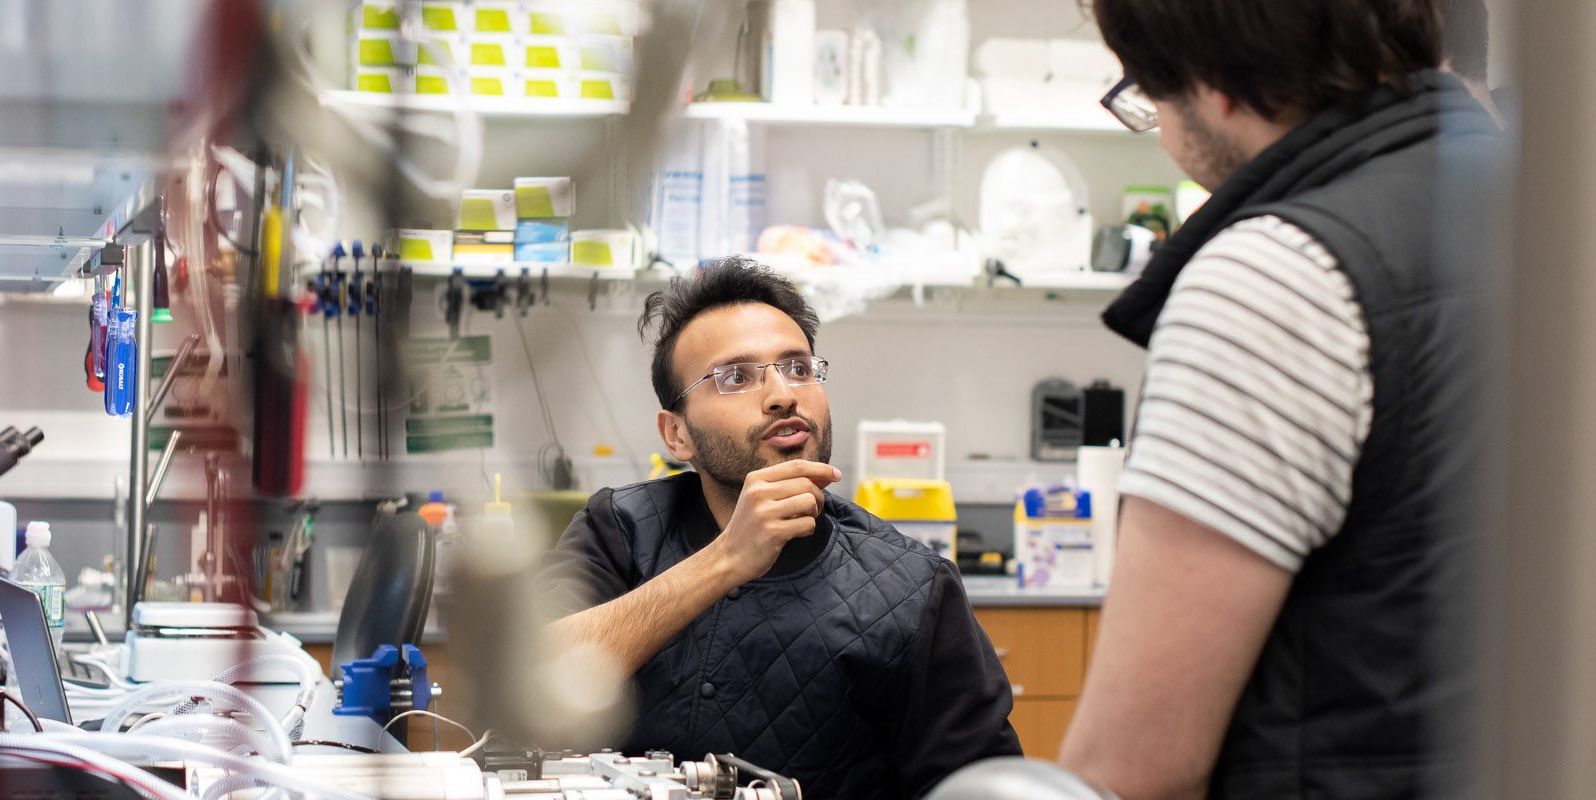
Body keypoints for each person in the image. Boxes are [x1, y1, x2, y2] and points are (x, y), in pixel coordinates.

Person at [1053, 0, 1501, 797]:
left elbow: (1135, 766)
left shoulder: (1273, 278)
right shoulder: (1547, 206)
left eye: (1145, 93)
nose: (1158, 129)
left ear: (1213, 77)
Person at [539, 259, 1021, 799]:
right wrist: (725, 560)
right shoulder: (621, 530)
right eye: (736, 377)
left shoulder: (913, 586)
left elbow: (984, 785)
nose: (783, 394)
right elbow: (528, 681)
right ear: (677, 435)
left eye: (798, 367)